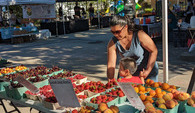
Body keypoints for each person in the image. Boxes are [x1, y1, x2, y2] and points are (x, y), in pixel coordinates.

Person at [107, 15, 158, 82]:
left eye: (118, 32)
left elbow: (154, 51)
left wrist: (147, 71)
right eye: (113, 32)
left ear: (125, 27)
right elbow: (111, 65)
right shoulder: (113, 43)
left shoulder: (140, 35)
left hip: (145, 70)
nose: (115, 35)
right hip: (127, 73)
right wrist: (111, 81)